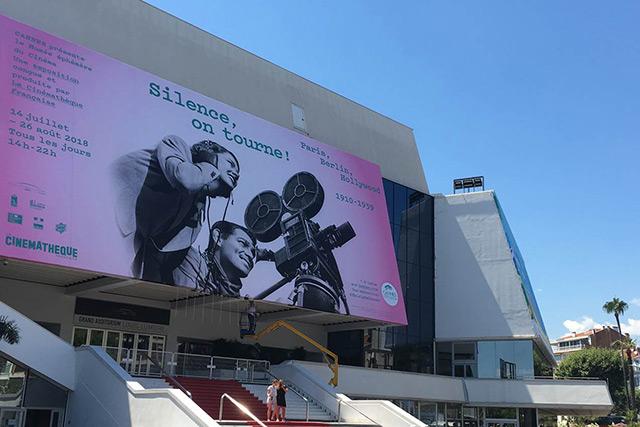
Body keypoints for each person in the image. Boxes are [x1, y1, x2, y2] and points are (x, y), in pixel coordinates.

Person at [111, 135, 239, 282]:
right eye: (230, 164)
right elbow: (185, 179)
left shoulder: (195, 208)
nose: (236, 174)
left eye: (238, 175)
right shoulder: (176, 145)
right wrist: (210, 166)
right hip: (102, 204)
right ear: (209, 153)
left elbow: (166, 251)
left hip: (125, 244)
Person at [174, 221, 270, 297]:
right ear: (218, 237)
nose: (250, 255)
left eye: (253, 252)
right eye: (242, 243)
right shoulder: (191, 258)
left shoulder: (233, 291)